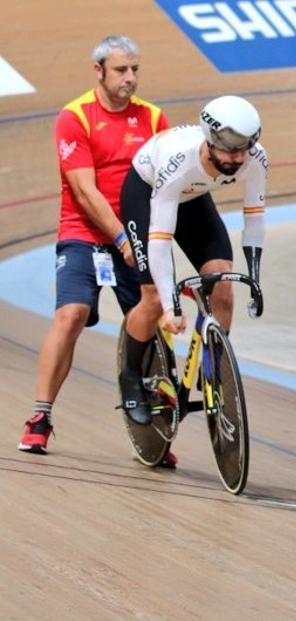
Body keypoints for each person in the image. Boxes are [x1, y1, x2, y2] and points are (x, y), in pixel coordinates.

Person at [18, 35, 168, 456]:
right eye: (122, 70)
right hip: (84, 233)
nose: (131, 78)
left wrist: (146, 241)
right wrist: (120, 237)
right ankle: (40, 416)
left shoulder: (154, 118)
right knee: (71, 313)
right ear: (98, 71)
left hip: (137, 235)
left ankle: (156, 421)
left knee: (152, 316)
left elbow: (170, 185)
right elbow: (85, 192)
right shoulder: (75, 117)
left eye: (135, 69)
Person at [116, 95, 267, 471]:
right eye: (227, 152)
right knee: (151, 297)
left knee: (223, 283)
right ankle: (131, 376)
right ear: (208, 138)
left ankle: (212, 373)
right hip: (149, 193)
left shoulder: (256, 158)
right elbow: (160, 241)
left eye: (242, 152)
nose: (235, 161)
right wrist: (170, 307)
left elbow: (255, 219)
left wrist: (255, 278)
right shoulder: (177, 161)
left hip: (194, 198)